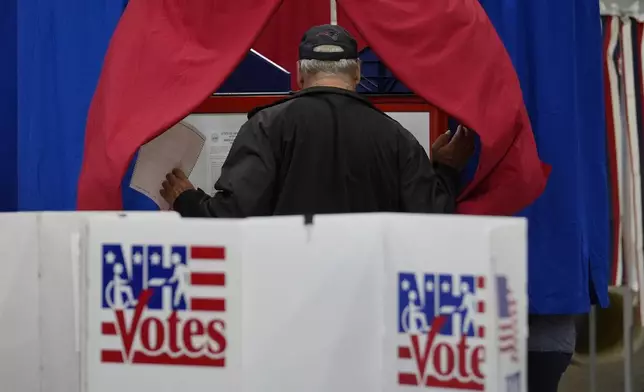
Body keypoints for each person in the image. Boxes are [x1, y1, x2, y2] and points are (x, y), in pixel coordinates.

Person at [160, 24, 474, 217]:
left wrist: (188, 200)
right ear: (357, 74)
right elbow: (431, 216)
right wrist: (445, 169)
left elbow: (234, 214)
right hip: (365, 294)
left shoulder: (266, 127)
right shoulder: (396, 137)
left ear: (299, 74)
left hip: (292, 293)